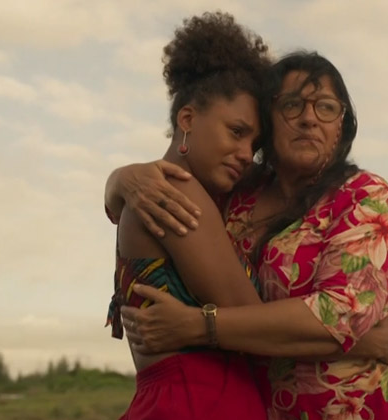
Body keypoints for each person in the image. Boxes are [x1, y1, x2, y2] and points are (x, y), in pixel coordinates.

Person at [108, 51, 388, 419]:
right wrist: (121, 180)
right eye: (293, 105)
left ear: (341, 129)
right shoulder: (235, 196)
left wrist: (201, 326)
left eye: (326, 107)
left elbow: (338, 317)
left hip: (366, 406)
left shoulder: (363, 197)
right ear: (270, 121)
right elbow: (169, 192)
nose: (309, 118)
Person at [105, 12, 271, 419]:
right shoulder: (174, 191)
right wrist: (361, 338)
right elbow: (257, 325)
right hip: (200, 403)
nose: (246, 154)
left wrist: (117, 180)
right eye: (236, 132)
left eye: (254, 144)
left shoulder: (162, 188)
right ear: (188, 119)